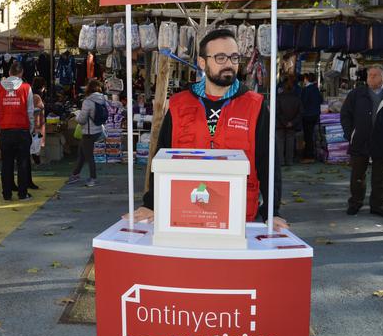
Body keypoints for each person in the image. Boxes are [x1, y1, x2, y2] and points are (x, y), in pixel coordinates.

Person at [126, 29, 288, 230]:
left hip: (238, 216)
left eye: (234, 57)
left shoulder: (255, 105)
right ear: (203, 63)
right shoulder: (179, 105)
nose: (229, 63)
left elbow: (268, 163)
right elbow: (160, 159)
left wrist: (272, 212)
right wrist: (151, 204)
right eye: (220, 57)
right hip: (186, 211)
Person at [341, 65, 383, 217]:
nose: (370, 77)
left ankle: (377, 206)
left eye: (375, 75)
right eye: (369, 75)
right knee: (357, 175)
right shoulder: (356, 94)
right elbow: (345, 114)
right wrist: (349, 133)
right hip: (360, 140)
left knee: (381, 177)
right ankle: (355, 203)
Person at [0, 61, 34, 201]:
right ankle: (22, 193)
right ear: (21, 73)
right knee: (22, 163)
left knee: (6, 164)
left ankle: (7, 193)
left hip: (5, 130)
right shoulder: (26, 87)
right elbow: (30, 112)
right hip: (22, 130)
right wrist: (31, 129)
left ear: (9, 72)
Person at [68, 79, 106, 187]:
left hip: (88, 132)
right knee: (82, 153)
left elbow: (82, 120)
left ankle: (93, 178)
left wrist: (77, 115)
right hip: (97, 130)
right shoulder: (102, 99)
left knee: (88, 156)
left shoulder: (88, 101)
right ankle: (75, 174)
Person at [276, 81, 303, 166]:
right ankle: (289, 161)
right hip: (292, 125)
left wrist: (284, 122)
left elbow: (277, 112)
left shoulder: (279, 98)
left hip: (280, 124)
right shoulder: (297, 99)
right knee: (290, 143)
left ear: (283, 88)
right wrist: (292, 122)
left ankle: (281, 161)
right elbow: (300, 113)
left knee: (280, 143)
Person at [27, 77, 46, 190]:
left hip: (37, 125)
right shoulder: (36, 97)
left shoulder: (34, 95)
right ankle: (37, 162)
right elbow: (34, 111)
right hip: (36, 125)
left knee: (35, 145)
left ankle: (37, 161)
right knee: (35, 145)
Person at [300, 73, 322, 163]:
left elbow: (303, 102)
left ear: (306, 79)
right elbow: (320, 100)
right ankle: (311, 154)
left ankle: (309, 156)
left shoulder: (306, 90)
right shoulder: (316, 89)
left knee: (308, 136)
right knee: (312, 135)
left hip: (307, 115)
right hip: (315, 114)